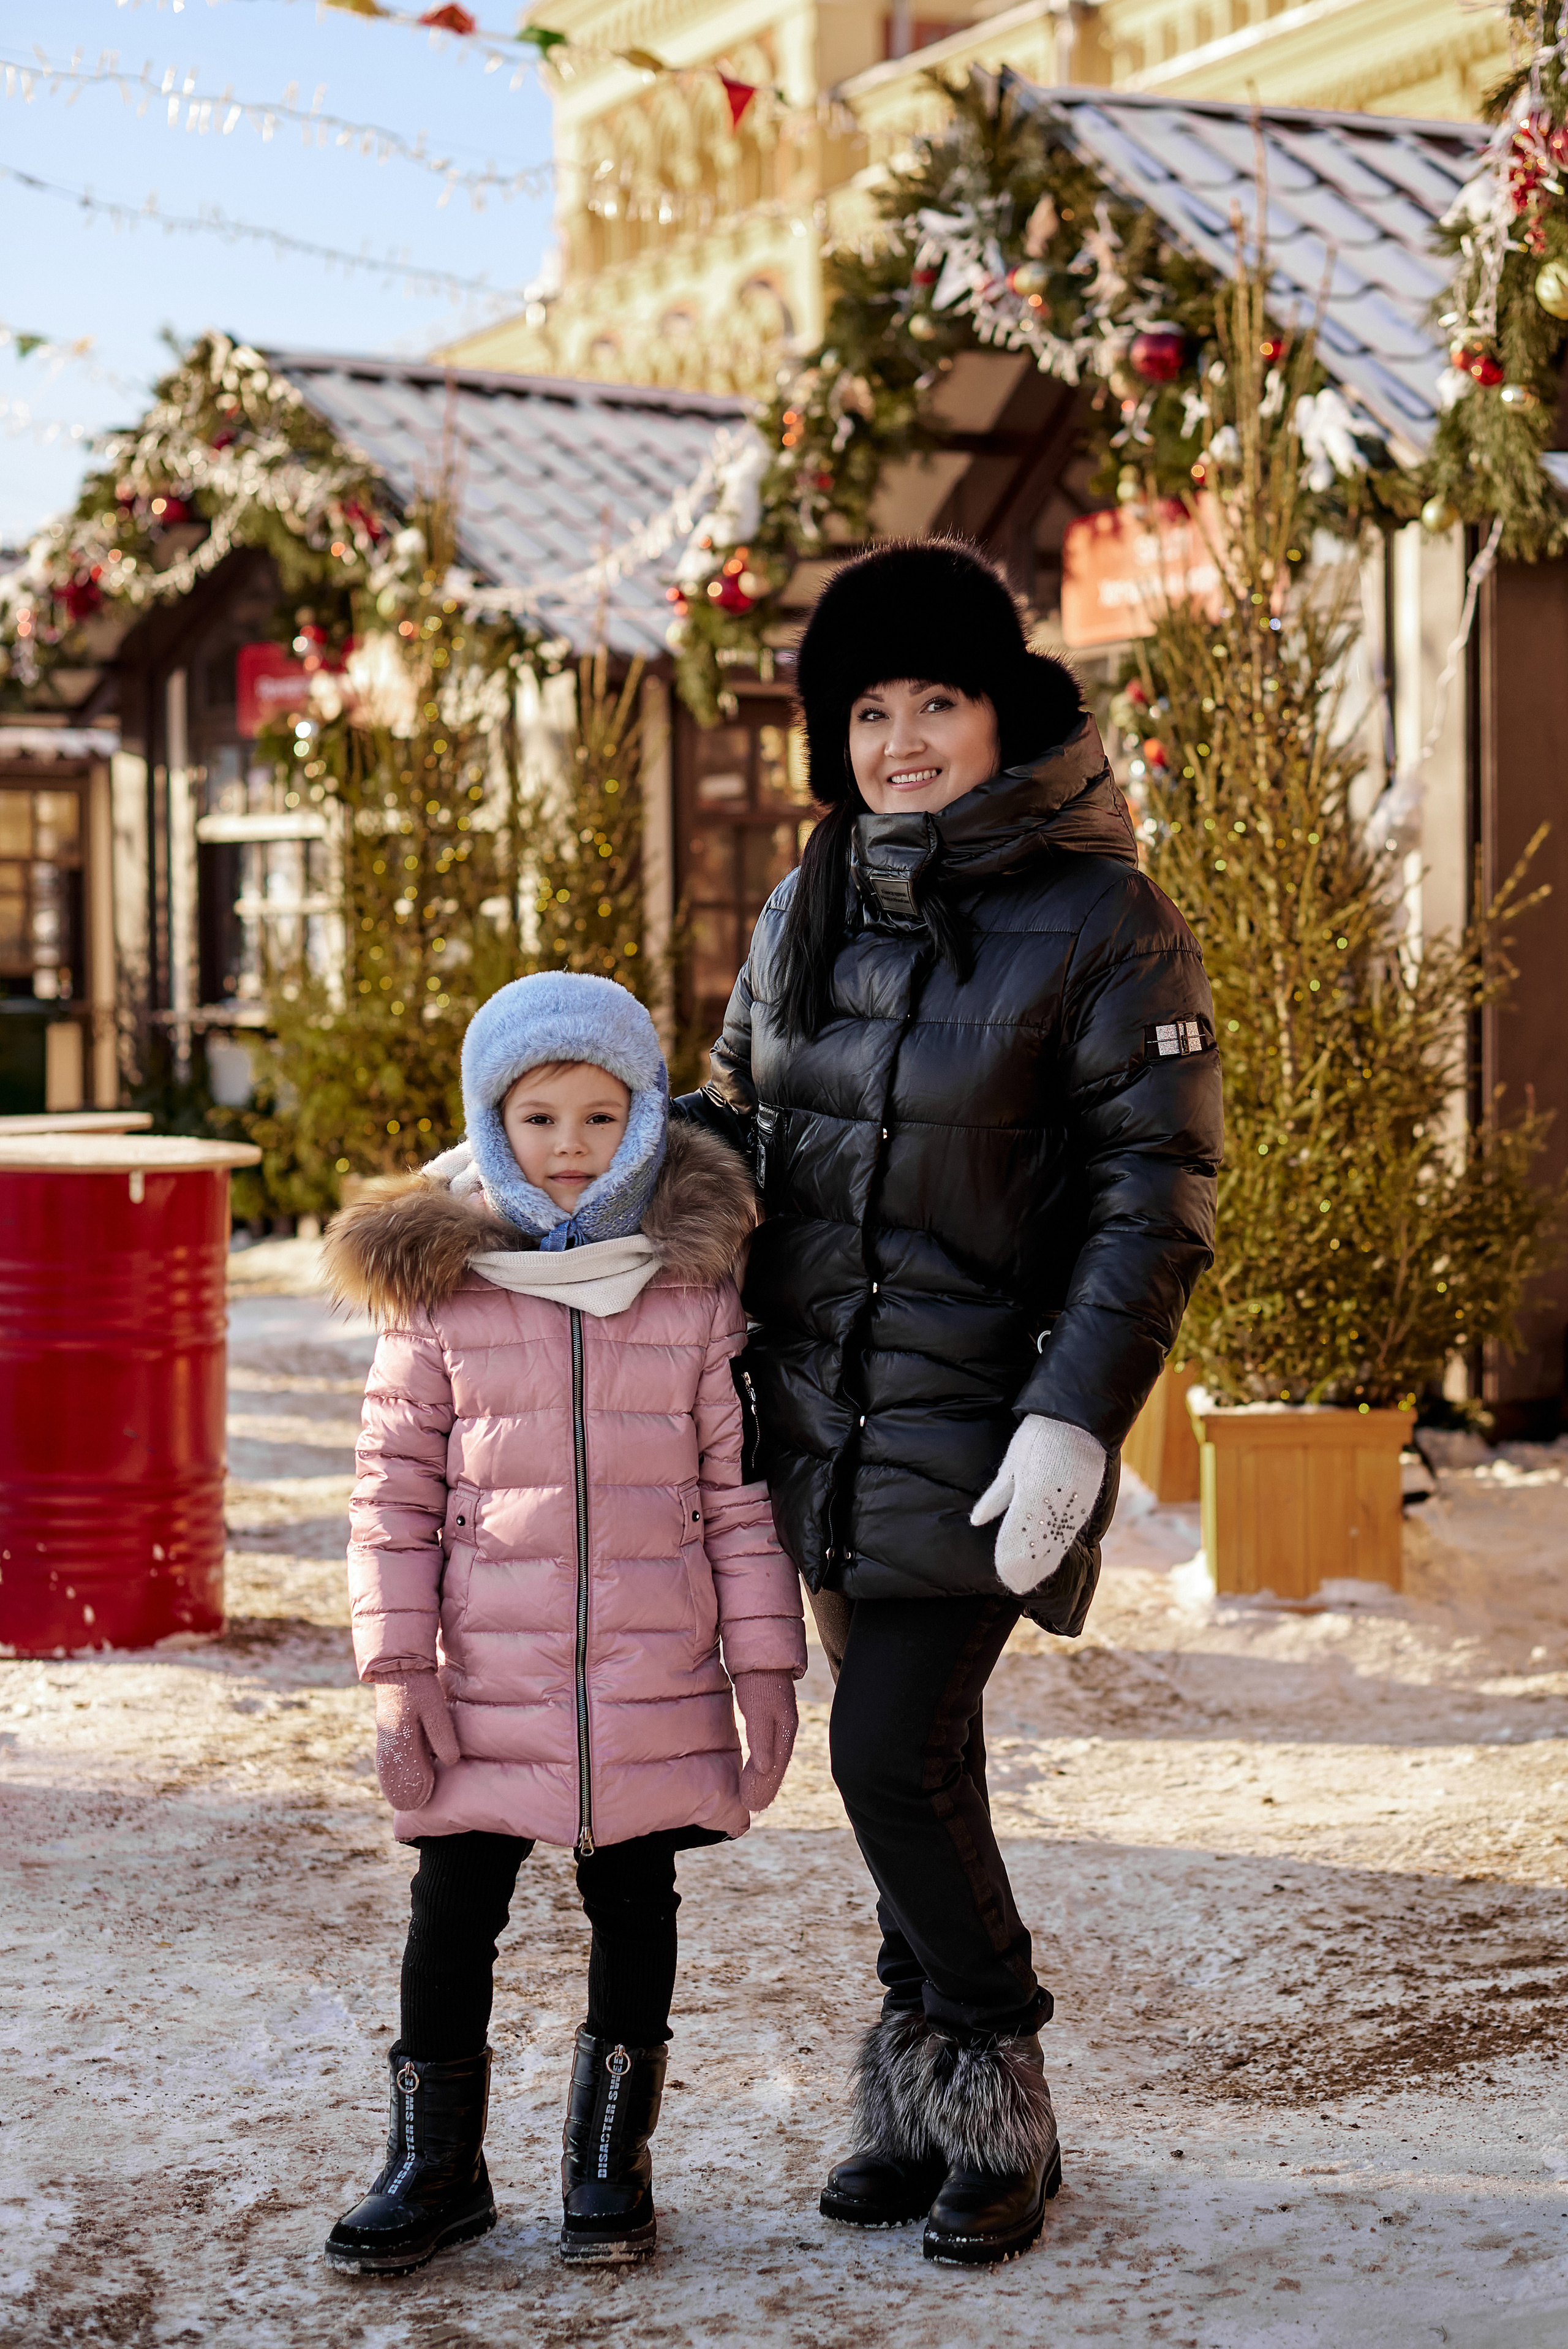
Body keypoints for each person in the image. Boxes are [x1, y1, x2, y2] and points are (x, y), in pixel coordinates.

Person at [676, 538, 1223, 2267]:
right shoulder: (812, 896)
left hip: (989, 1425)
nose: (902, 740)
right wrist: (593, 1187)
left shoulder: (1109, 917)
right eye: (870, 711)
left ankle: (998, 2088)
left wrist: (1076, 1416)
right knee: (929, 1760)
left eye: (939, 701)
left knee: (886, 1758)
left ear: (1007, 710)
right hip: (821, 1420)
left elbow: (1157, 1193)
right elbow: (733, 1113)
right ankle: (919, 2092)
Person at [320, 971, 807, 2277]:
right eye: (539, 1119)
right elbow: (391, 1497)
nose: (571, 1148)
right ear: (493, 1125)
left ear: (645, 1120)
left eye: (601, 1116)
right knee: (451, 1908)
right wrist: (395, 1668)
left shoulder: (692, 1288)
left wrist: (764, 1658)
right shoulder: (443, 1287)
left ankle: (609, 2163)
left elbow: (738, 1492)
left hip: (647, 1666)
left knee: (633, 1899)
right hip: (481, 1669)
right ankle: (435, 2164)